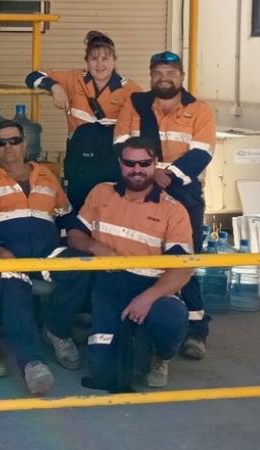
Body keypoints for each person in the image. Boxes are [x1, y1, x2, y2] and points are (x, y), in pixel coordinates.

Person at [114, 51, 216, 360]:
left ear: (181, 76)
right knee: (143, 255)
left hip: (183, 192)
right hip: (140, 188)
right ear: (151, 76)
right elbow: (121, 143)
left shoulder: (200, 110)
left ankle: (196, 331)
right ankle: (149, 320)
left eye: (170, 71)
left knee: (185, 261)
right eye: (158, 72)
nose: (164, 77)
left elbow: (202, 153)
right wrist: (147, 174)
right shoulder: (137, 104)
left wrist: (166, 176)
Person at [72, 137, 192, 391]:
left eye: (144, 163)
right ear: (120, 164)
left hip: (152, 285)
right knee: (102, 371)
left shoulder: (174, 210)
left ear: (155, 164)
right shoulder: (101, 193)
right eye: (130, 163)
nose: (137, 169)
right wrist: (95, 246)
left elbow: (182, 269)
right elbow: (74, 234)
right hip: (108, 283)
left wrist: (147, 298)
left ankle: (161, 355)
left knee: (170, 317)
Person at [0, 120, 77, 394]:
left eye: (14, 141)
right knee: (14, 289)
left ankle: (57, 331)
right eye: (1, 143)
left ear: (25, 143)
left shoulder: (47, 175)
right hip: (9, 255)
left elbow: (65, 218)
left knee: (81, 268)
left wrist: (75, 245)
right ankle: (32, 364)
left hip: (47, 253)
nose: (8, 148)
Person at [24, 31, 142, 212]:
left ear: (114, 60)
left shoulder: (130, 89)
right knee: (79, 210)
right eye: (94, 59)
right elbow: (32, 77)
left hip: (111, 161)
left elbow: (139, 131)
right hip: (79, 160)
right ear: (87, 61)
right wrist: (54, 87)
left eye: (105, 58)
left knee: (110, 211)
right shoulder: (74, 79)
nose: (100, 64)